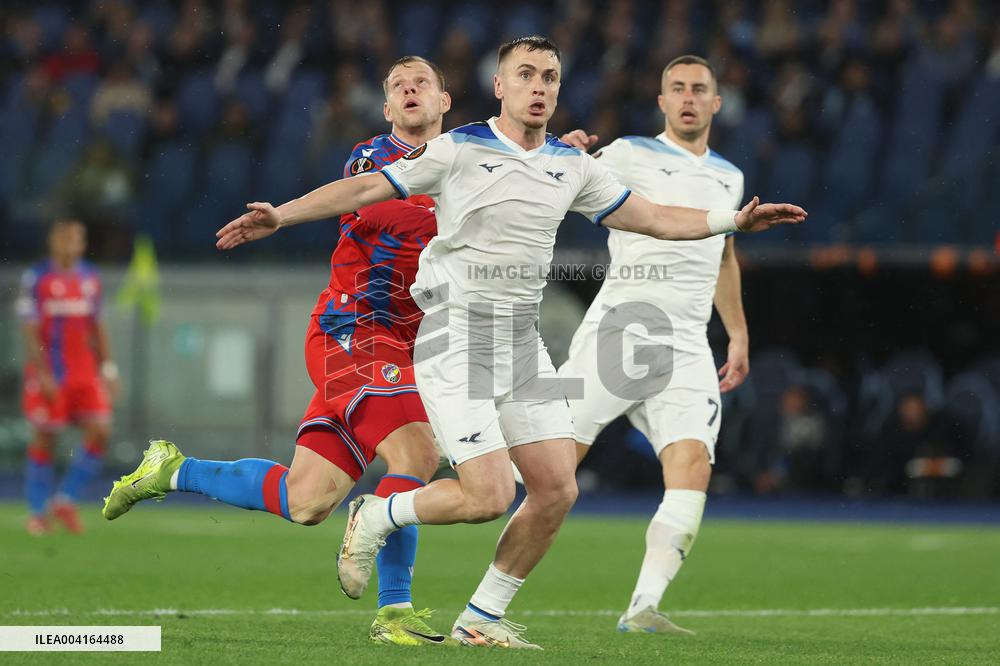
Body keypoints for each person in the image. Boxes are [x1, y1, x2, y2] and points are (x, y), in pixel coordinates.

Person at [214, 35, 806, 649]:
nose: (540, 86)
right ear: (501, 86)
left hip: (520, 345)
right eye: (526, 74)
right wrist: (282, 214)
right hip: (453, 337)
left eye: (550, 75)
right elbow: (366, 189)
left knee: (557, 489)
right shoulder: (459, 149)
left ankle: (481, 620)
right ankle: (379, 513)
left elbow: (653, 217)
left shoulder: (572, 166)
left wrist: (730, 222)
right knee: (490, 495)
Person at [103, 56, 454, 647]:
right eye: (397, 85)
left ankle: (171, 469)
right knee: (417, 456)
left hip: (405, 344)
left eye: (422, 81)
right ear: (389, 108)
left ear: (446, 101)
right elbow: (385, 203)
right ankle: (395, 613)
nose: (410, 88)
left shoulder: (470, 160)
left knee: (307, 499)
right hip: (353, 330)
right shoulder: (374, 159)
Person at [558, 56, 755, 634]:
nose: (689, 98)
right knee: (548, 476)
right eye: (677, 88)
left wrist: (738, 333)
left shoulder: (731, 176)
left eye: (700, 89)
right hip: (620, 330)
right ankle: (398, 514)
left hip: (688, 344)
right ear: (662, 101)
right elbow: (560, 186)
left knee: (692, 463)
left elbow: (724, 254)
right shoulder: (626, 154)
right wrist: (560, 151)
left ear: (717, 103)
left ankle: (643, 607)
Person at [18, 219, 118, 535]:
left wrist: (108, 368)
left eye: (74, 238)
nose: (68, 243)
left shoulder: (91, 278)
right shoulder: (37, 278)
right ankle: (37, 512)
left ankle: (65, 499)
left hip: (85, 372)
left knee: (100, 432)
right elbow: (31, 330)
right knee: (46, 438)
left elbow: (97, 327)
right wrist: (44, 373)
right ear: (52, 242)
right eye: (62, 237)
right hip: (52, 372)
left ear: (82, 244)